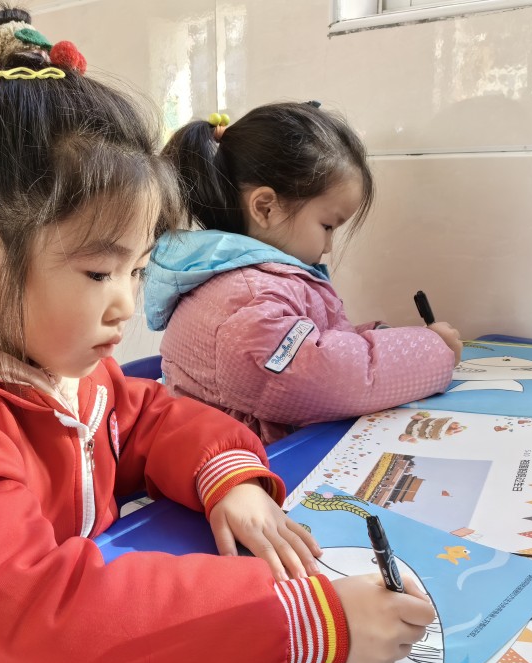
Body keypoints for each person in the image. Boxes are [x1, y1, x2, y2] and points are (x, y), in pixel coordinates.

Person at [0, 5, 434, 663]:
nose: (126, 304)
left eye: (138, 269)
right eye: (100, 272)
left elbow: (144, 417)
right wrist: (308, 620)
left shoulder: (50, 356)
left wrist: (228, 477)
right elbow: (40, 615)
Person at [144, 104, 463, 445]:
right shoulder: (246, 298)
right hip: (246, 470)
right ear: (266, 207)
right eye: (327, 226)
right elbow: (325, 377)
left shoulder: (253, 282)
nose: (328, 246)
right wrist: (429, 350)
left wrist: (384, 337)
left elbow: (317, 343)